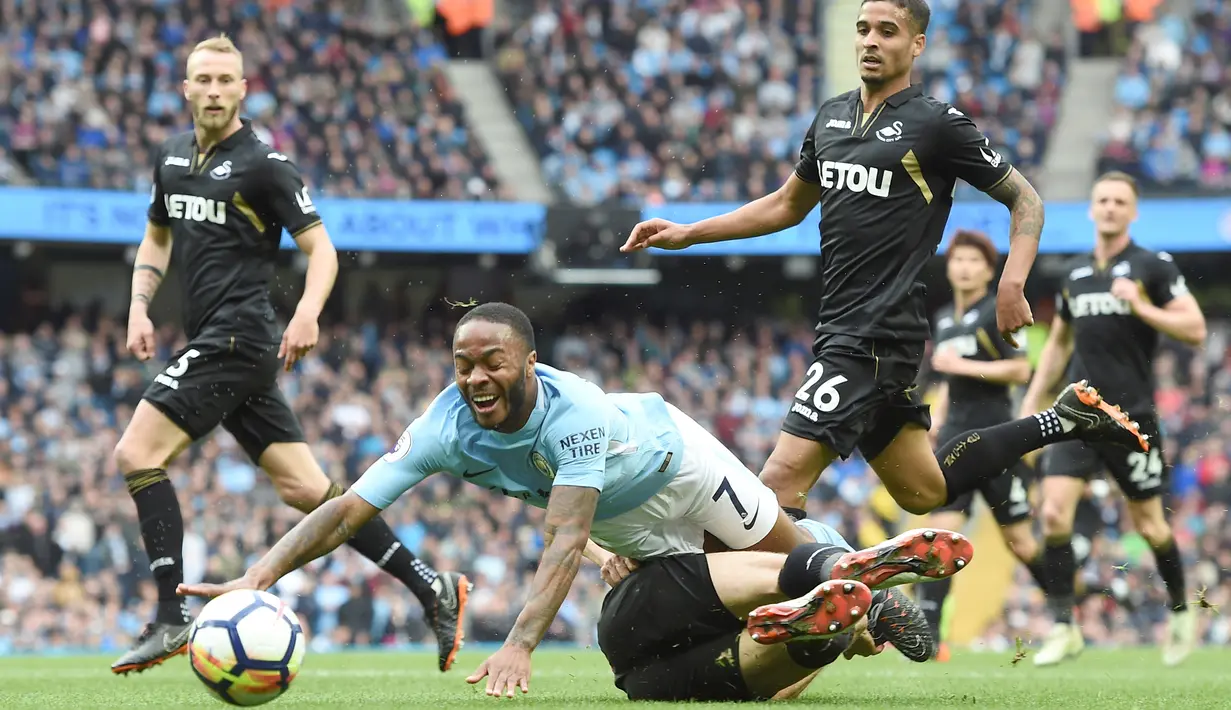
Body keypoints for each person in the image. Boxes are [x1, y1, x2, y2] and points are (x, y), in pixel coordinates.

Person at [176, 302, 976, 700]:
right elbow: (348, 508)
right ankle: (852, 597)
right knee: (750, 622)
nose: (475, 378)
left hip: (683, 464)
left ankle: (844, 579)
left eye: (492, 362)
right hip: (627, 520)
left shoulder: (578, 414)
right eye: (463, 364)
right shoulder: (444, 427)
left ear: (529, 361)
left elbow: (562, 534)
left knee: (782, 553)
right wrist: (257, 577)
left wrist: (521, 642)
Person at [620, 0, 1147, 524]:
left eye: (888, 32)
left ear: (916, 44)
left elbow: (1025, 199)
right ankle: (1061, 420)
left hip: (873, 336)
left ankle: (792, 599)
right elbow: (785, 205)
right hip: (845, 331)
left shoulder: (937, 124)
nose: (871, 41)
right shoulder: (829, 117)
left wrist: (1012, 283)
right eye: (863, 29)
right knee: (924, 492)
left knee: (776, 485)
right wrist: (688, 233)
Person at [111, 35, 466, 675]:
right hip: (218, 342)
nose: (215, 90)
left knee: (137, 454)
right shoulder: (170, 161)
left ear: (244, 88)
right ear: (185, 88)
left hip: (239, 336)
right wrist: (140, 304)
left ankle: (170, 617)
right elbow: (156, 236)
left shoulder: (264, 165)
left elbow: (322, 249)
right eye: (204, 80)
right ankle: (430, 587)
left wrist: (306, 312)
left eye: (226, 80)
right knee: (307, 490)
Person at [1020, 171, 1207, 667]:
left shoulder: (1153, 266)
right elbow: (1059, 343)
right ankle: (1064, 627)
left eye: (1119, 201)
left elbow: (1195, 328)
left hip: (1132, 418)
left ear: (1133, 210)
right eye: (1101, 199)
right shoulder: (1075, 274)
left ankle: (1182, 610)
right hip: (1078, 413)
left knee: (1150, 526)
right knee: (1054, 514)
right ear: (1091, 208)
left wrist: (1143, 305)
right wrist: (1031, 404)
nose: (1109, 207)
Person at [589, 518, 949, 702]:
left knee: (794, 607)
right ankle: (836, 616)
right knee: (804, 636)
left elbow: (569, 526)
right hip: (687, 657)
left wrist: (609, 555)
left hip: (641, 651)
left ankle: (838, 610)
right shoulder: (770, 528)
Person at [916, 230, 1047, 660]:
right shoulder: (944, 318)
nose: (965, 267)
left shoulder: (997, 310)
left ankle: (1065, 612)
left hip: (995, 443)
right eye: (958, 260)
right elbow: (951, 379)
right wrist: (940, 413)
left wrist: (961, 366)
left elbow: (1018, 370)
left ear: (990, 270)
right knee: (941, 537)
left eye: (975, 261)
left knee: (1022, 543)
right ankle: (930, 638)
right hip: (955, 441)